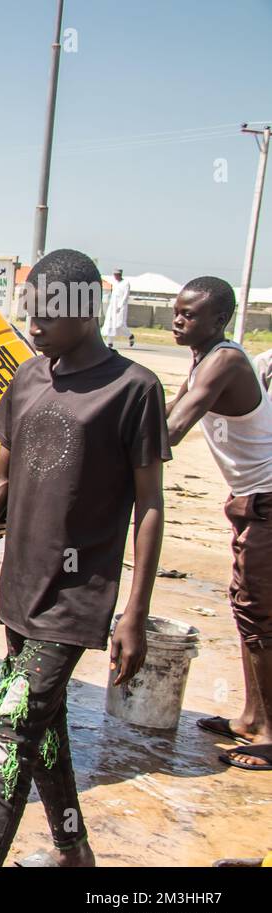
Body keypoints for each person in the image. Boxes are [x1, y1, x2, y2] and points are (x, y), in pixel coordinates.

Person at [0, 249, 168, 866]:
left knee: (12, 731)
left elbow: (150, 506)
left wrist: (135, 613)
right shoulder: (28, 378)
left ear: (89, 310)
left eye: (49, 313)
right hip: (21, 587)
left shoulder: (134, 389)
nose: (34, 324)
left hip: (78, 594)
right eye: (29, 310)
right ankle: (73, 849)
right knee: (42, 726)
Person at [165, 276, 272, 771]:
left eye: (190, 314)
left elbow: (173, 429)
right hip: (249, 498)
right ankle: (251, 716)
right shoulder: (202, 360)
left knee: (261, 616)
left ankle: (269, 732)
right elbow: (163, 414)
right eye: (177, 310)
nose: (178, 319)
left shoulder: (226, 361)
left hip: (267, 499)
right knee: (246, 609)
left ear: (219, 320)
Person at [102, 268, 134, 348]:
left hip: (121, 306)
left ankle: (130, 336)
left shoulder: (126, 283)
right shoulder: (115, 283)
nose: (115, 276)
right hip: (112, 305)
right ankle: (110, 343)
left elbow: (126, 295)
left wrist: (120, 305)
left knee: (119, 325)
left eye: (116, 274)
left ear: (119, 275)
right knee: (110, 323)